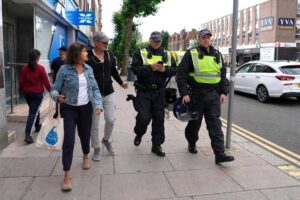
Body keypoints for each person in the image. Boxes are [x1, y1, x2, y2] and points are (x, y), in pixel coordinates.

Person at [176, 29, 234, 164]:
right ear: (199, 39)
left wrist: (223, 92)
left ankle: (219, 154)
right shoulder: (192, 53)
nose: (206, 39)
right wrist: (184, 93)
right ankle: (191, 142)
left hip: (213, 95)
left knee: (215, 124)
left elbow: (222, 75)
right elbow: (181, 74)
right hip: (196, 94)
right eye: (203, 37)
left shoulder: (217, 55)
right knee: (194, 123)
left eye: (208, 37)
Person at [51, 42, 103, 191]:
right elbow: (54, 88)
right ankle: (66, 174)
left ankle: (86, 155)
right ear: (77, 53)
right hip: (68, 108)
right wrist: (57, 97)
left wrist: (98, 104)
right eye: (85, 51)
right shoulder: (64, 69)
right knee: (69, 140)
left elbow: (95, 88)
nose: (87, 54)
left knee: (85, 135)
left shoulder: (89, 69)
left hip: (85, 108)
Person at [131, 31, 177, 157]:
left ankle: (156, 145)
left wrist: (164, 70)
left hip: (159, 92)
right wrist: (150, 68)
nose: (156, 43)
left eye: (159, 41)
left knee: (159, 119)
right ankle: (139, 133)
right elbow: (135, 70)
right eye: (154, 40)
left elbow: (174, 70)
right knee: (144, 117)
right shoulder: (140, 52)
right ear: (150, 39)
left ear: (161, 41)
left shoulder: (167, 54)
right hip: (144, 91)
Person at [87, 31, 128, 161]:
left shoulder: (109, 55)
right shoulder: (88, 55)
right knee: (95, 123)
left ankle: (106, 140)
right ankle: (96, 148)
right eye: (104, 42)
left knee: (110, 119)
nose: (107, 44)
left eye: (107, 42)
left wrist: (121, 83)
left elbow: (113, 71)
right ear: (96, 42)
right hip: (94, 94)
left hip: (109, 92)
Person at [19, 49, 51, 144]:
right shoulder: (40, 68)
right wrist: (51, 92)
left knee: (35, 110)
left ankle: (37, 126)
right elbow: (46, 82)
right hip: (37, 93)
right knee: (33, 112)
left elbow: (21, 82)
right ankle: (28, 134)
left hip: (27, 93)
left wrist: (24, 90)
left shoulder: (24, 68)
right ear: (37, 58)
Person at [51, 46, 67, 118]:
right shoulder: (68, 61)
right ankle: (59, 111)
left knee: (60, 97)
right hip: (60, 83)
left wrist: (53, 80)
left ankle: (58, 111)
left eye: (60, 50)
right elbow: (52, 72)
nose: (59, 52)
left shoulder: (55, 60)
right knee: (59, 97)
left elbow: (52, 72)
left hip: (60, 82)